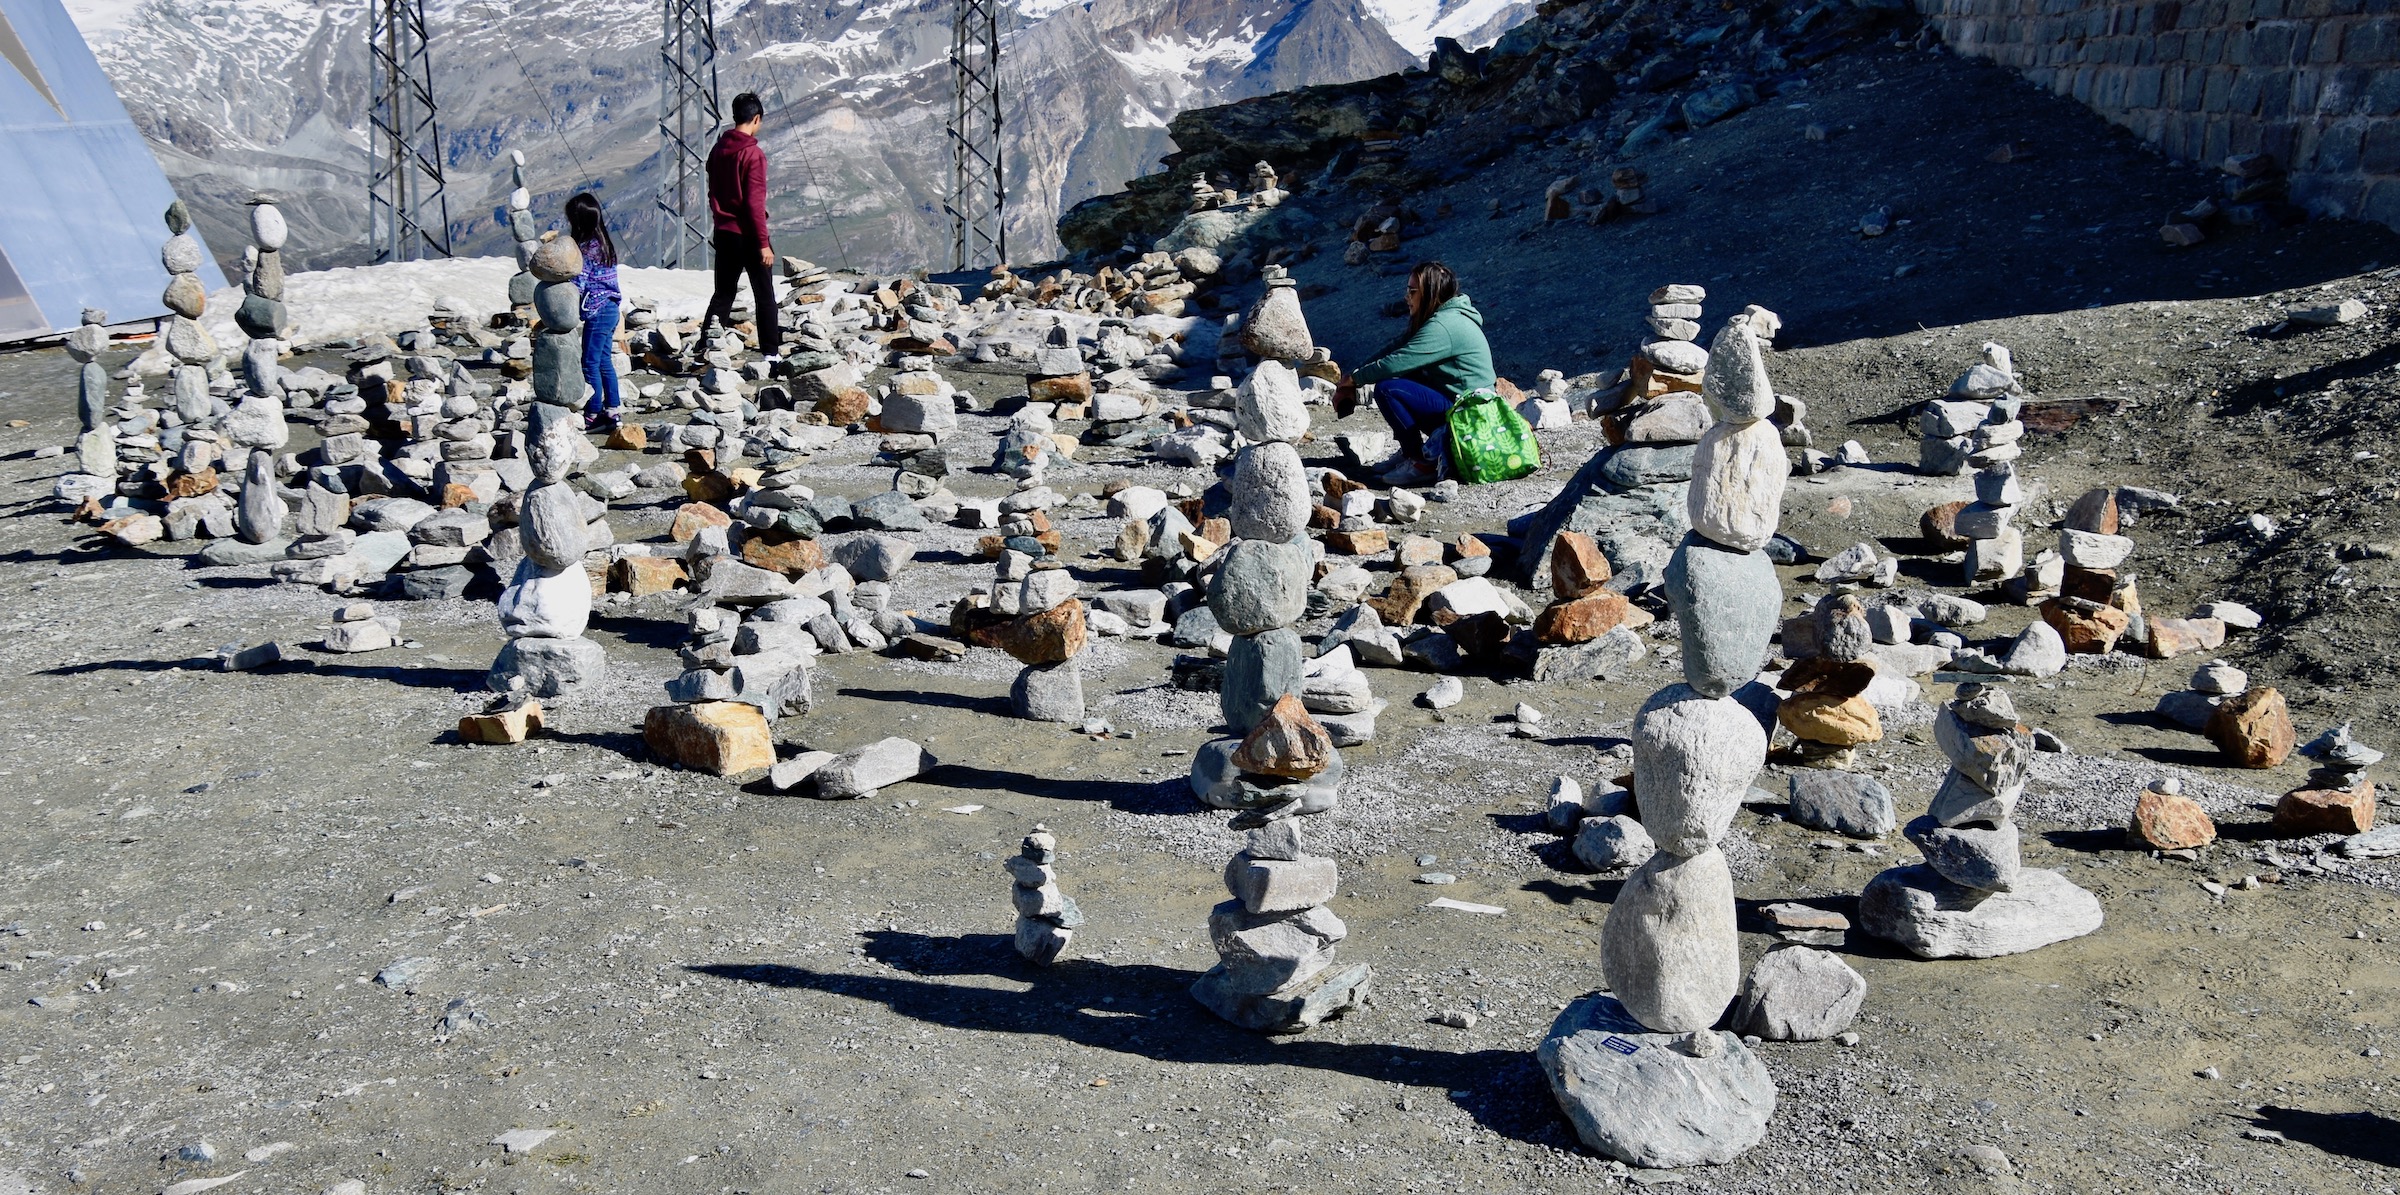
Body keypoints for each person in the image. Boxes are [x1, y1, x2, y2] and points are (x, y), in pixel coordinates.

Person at [1334, 261, 1495, 487]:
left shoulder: (1444, 326)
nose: (1406, 297)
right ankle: (1417, 453)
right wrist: (1352, 377)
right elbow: (1396, 347)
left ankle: (1420, 462)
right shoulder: (1441, 318)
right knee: (1403, 380)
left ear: (1431, 292)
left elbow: (1396, 363)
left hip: (1469, 419)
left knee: (1389, 389)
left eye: (1412, 291)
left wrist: (1354, 380)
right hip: (1463, 407)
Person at [705, 91, 779, 360]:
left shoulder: (718, 150)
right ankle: (771, 353)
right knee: (764, 295)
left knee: (723, 294)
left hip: (723, 232)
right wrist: (762, 243)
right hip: (748, 234)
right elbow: (754, 204)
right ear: (756, 118)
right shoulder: (752, 154)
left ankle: (707, 345)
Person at [565, 191, 624, 432]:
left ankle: (593, 412)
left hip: (597, 309)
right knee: (603, 362)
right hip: (610, 308)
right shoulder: (604, 243)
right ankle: (612, 410)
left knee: (590, 362)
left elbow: (580, 281)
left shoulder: (588, 248)